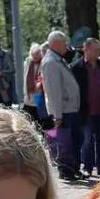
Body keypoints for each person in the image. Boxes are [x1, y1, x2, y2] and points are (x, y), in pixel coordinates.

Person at [41, 30, 82, 180]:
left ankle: (73, 169)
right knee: (64, 142)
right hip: (63, 110)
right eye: (64, 42)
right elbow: (54, 91)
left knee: (72, 141)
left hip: (69, 108)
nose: (66, 45)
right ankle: (66, 171)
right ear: (56, 43)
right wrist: (57, 115)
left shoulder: (58, 59)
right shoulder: (51, 62)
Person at [71, 37, 100, 177]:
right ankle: (87, 167)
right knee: (87, 141)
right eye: (95, 50)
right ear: (85, 49)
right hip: (86, 111)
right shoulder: (76, 67)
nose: (98, 52)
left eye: (99, 50)